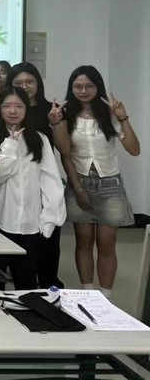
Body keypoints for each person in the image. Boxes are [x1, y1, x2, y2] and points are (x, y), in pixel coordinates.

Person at [59, 65, 140, 299]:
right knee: (83, 241)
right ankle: (88, 294)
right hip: (79, 182)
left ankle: (105, 298)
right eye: (78, 86)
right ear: (71, 88)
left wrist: (122, 117)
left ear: (98, 87)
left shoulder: (109, 114)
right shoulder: (66, 115)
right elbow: (65, 153)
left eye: (89, 86)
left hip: (110, 183)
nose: (83, 90)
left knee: (106, 243)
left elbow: (134, 149)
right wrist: (77, 188)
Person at [0, 86, 66, 290]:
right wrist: (11, 145)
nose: (13, 111)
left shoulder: (39, 139)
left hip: (31, 222)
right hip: (0, 221)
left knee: (26, 282)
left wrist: (49, 219)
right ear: (0, 109)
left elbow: (50, 181)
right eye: (7, 106)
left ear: (26, 109)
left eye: (19, 106)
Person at [5, 61, 68, 288]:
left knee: (47, 244)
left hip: (43, 180)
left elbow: (65, 148)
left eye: (29, 81)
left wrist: (55, 123)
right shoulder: (7, 111)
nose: (25, 86)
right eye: (18, 82)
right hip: (13, 183)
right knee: (21, 250)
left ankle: (48, 287)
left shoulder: (52, 109)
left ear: (38, 83)